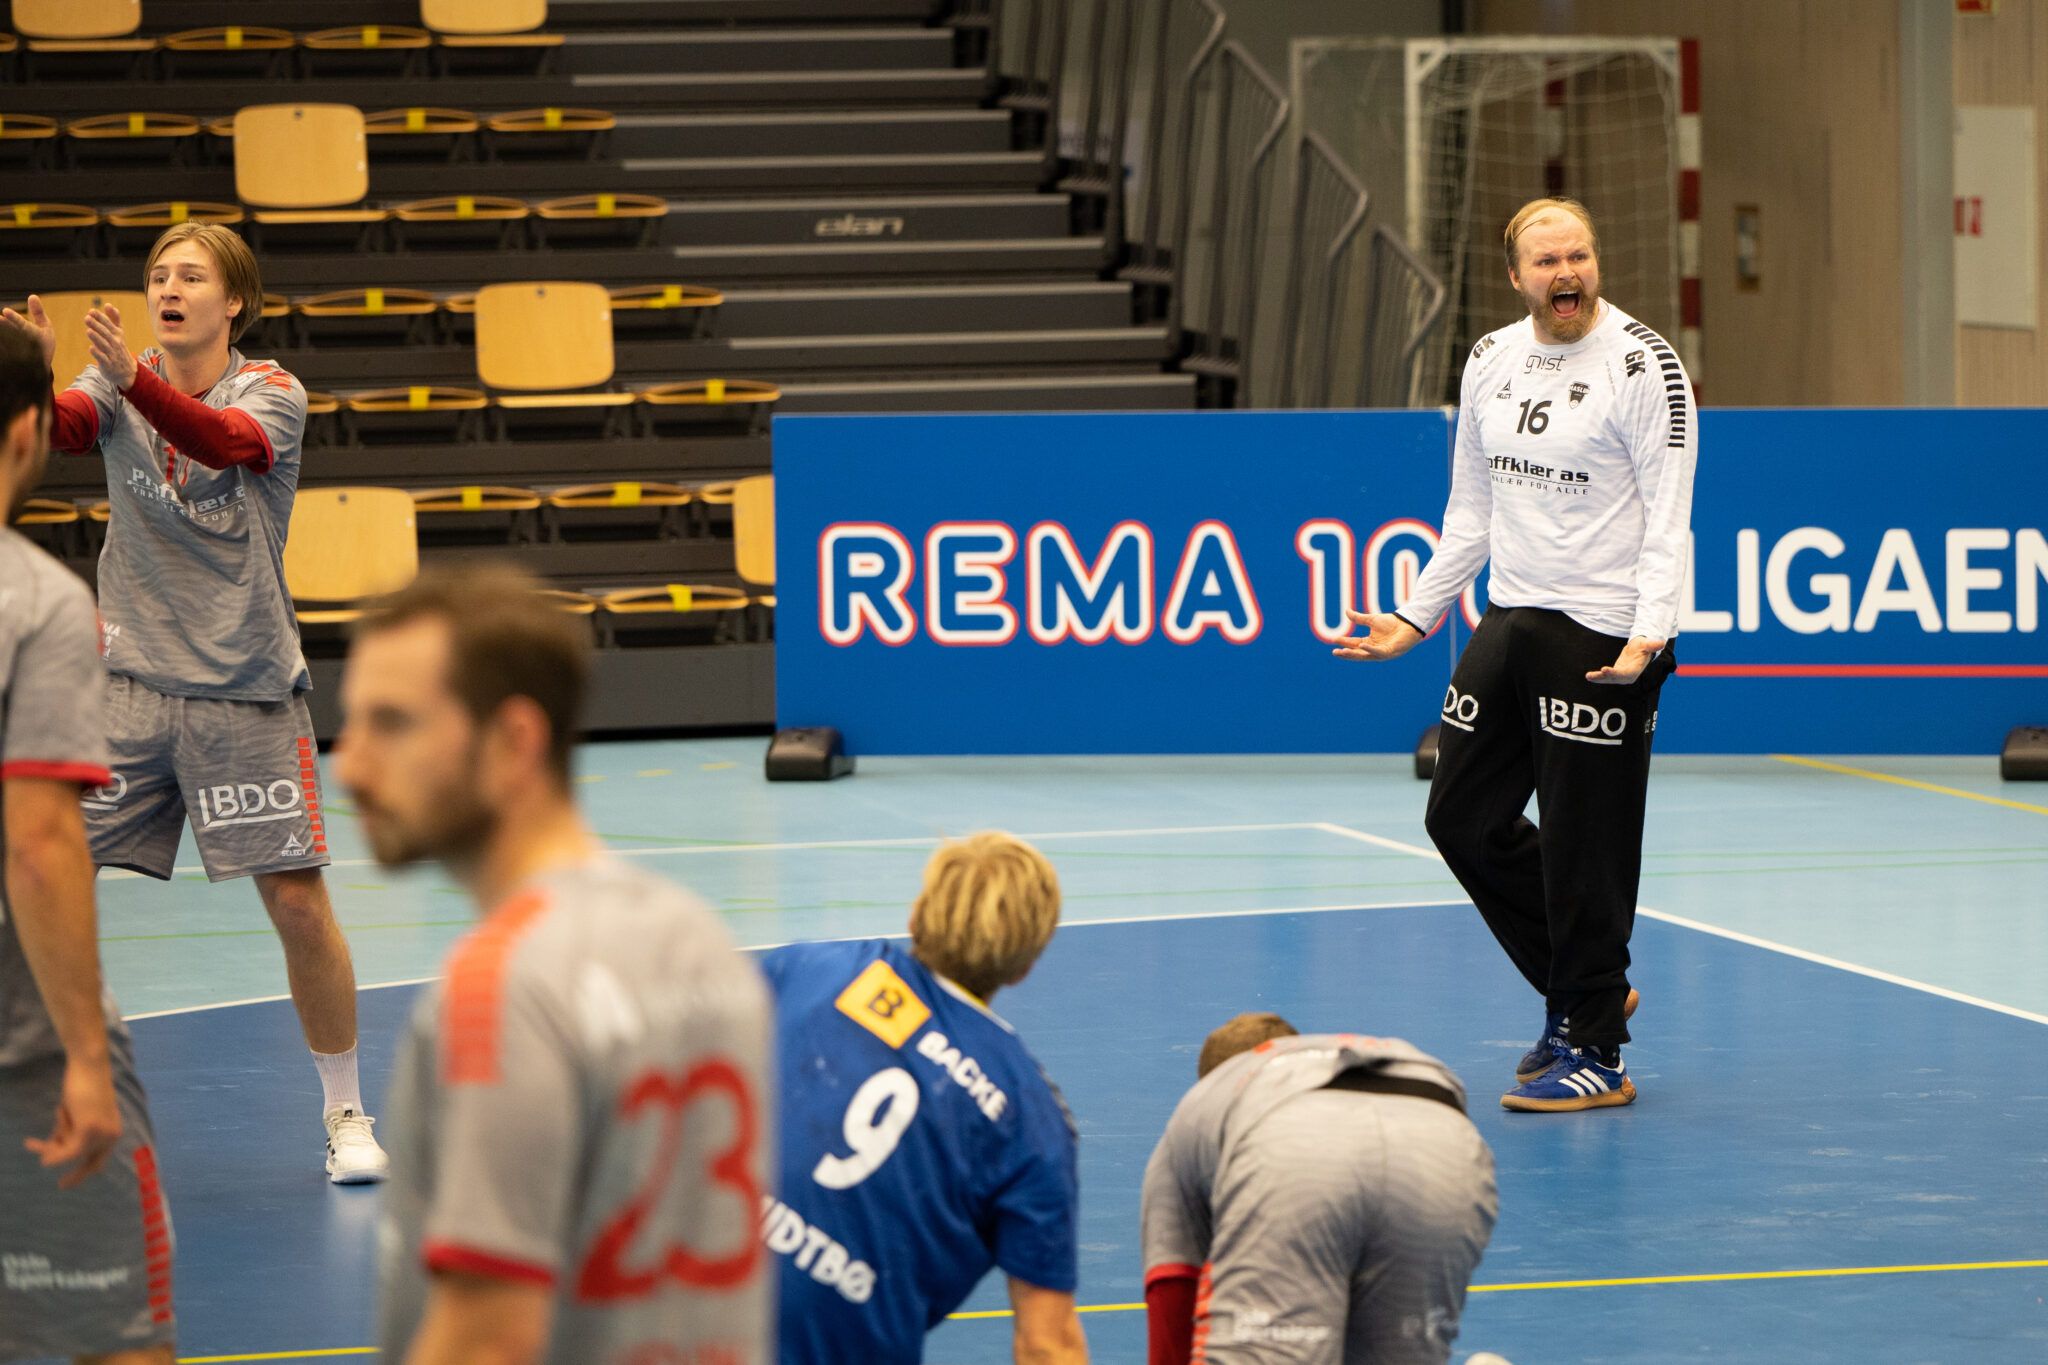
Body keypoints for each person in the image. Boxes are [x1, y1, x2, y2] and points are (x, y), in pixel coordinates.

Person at [1, 224, 385, 1178]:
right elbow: (63, 428)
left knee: (298, 907)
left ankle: (346, 1114)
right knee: (41, 877)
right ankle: (35, 1084)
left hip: (244, 694)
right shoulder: (114, 382)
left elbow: (219, 440)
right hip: (126, 689)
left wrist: (129, 381)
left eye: (190, 276)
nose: (167, 289)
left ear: (234, 302)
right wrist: (33, 381)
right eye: (157, 276)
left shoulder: (273, 392)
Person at [339, 563, 773, 1365]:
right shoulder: (705, 946)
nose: (350, 765)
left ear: (514, 742)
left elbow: (488, 1341)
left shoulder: (502, 982)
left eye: (391, 723)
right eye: (352, 722)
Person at [1334, 197, 1695, 1112]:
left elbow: (1669, 515)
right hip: (1511, 615)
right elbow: (1471, 510)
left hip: (1605, 628)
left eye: (1579, 255)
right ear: (1515, 276)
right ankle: (1583, 988)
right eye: (1547, 261)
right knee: (1459, 817)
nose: (1566, 272)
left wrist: (1650, 630)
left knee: (1586, 846)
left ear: (1595, 261)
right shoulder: (1491, 357)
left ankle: (1596, 1048)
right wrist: (1415, 617)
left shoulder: (1644, 363)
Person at [0, 324, 176, 1365]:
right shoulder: (38, 603)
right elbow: (36, 843)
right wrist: (82, 1059)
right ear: (30, 433)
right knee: (121, 1338)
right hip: (18, 1037)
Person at [760, 831, 1088, 1365]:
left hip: (675, 1305)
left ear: (916, 917)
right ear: (1025, 965)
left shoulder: (811, 970)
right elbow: (1045, 1345)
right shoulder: (1033, 1122)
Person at [1141, 1013, 1497, 1365]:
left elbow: (1173, 1290)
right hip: (1443, 1144)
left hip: (1299, 1156)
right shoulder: (1327, 1059)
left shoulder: (1205, 1102)